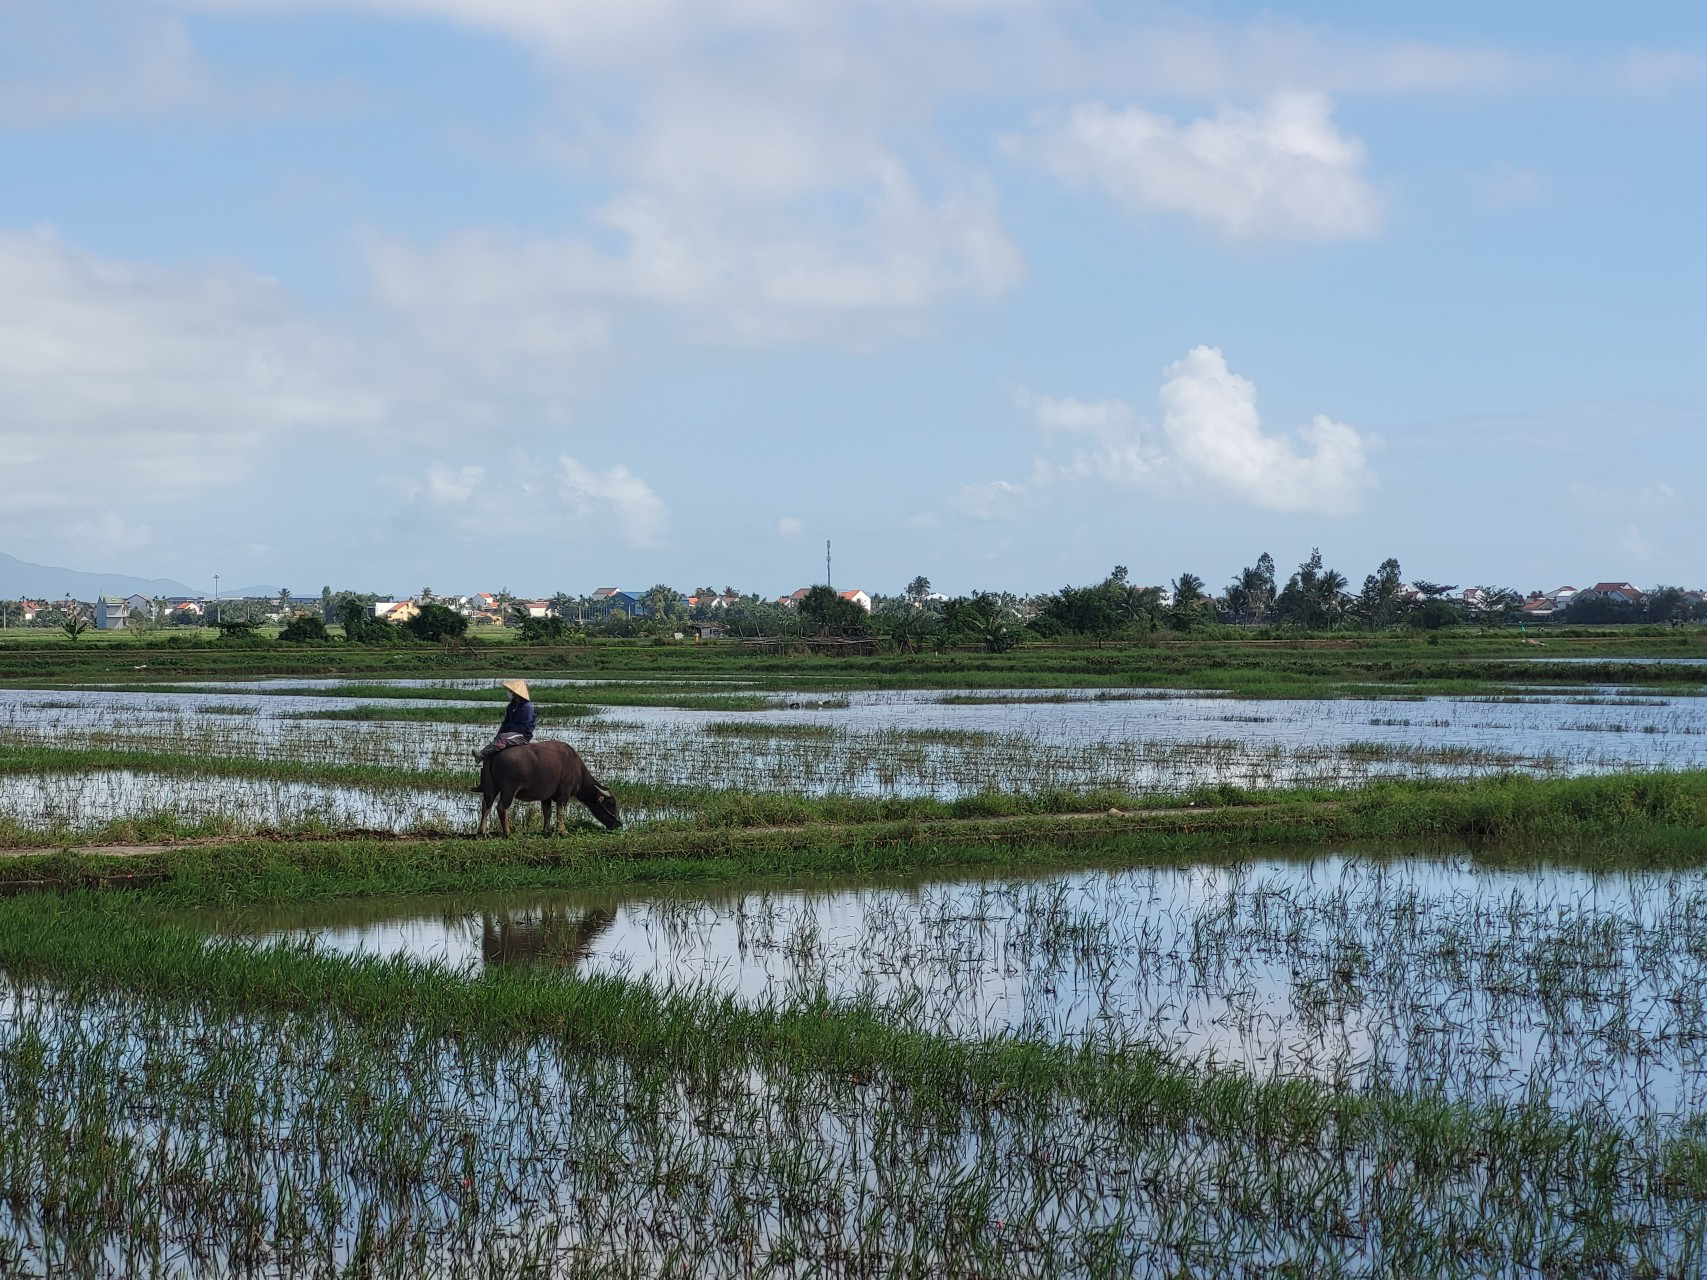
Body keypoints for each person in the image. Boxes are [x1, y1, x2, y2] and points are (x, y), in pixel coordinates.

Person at [473, 678, 536, 766]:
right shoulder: (512, 706)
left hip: (522, 735)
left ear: (516, 693)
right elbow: (505, 722)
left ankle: (482, 755)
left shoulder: (527, 708)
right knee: (500, 737)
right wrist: (500, 733)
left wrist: (506, 733)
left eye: (511, 691)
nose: (509, 692)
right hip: (511, 733)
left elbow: (522, 727)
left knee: (503, 738)